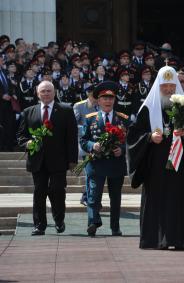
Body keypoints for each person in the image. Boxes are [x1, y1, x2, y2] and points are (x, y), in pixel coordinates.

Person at [127, 66, 184, 249]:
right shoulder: (148, 108)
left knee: (181, 200)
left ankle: (181, 239)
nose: (168, 90)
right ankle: (156, 239)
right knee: (157, 201)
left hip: (181, 165)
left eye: (171, 86)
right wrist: (149, 138)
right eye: (164, 86)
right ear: (158, 86)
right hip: (156, 166)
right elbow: (133, 135)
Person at [17, 81, 78, 235]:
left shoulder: (65, 110)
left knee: (57, 190)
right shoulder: (28, 111)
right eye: (43, 91)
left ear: (54, 92)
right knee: (39, 192)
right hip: (37, 160)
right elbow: (21, 136)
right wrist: (27, 143)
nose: (46, 93)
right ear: (38, 94)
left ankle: (59, 220)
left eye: (49, 91)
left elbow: (71, 137)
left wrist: (72, 160)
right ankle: (39, 225)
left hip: (59, 160)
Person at [80, 81, 130, 237]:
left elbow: (130, 140)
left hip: (116, 164)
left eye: (110, 98)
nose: (108, 101)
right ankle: (93, 223)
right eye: (104, 98)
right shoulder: (90, 119)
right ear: (98, 100)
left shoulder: (123, 119)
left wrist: (121, 150)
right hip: (96, 163)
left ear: (114, 100)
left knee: (115, 198)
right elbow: (83, 140)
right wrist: (92, 145)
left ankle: (115, 227)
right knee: (93, 195)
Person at [73, 85, 98, 207]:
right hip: (85, 143)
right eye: (94, 94)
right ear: (89, 94)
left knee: (96, 173)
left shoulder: (101, 105)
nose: (96, 97)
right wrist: (86, 129)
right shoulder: (79, 106)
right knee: (90, 171)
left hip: (99, 144)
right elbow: (73, 124)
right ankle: (88, 197)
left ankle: (91, 196)